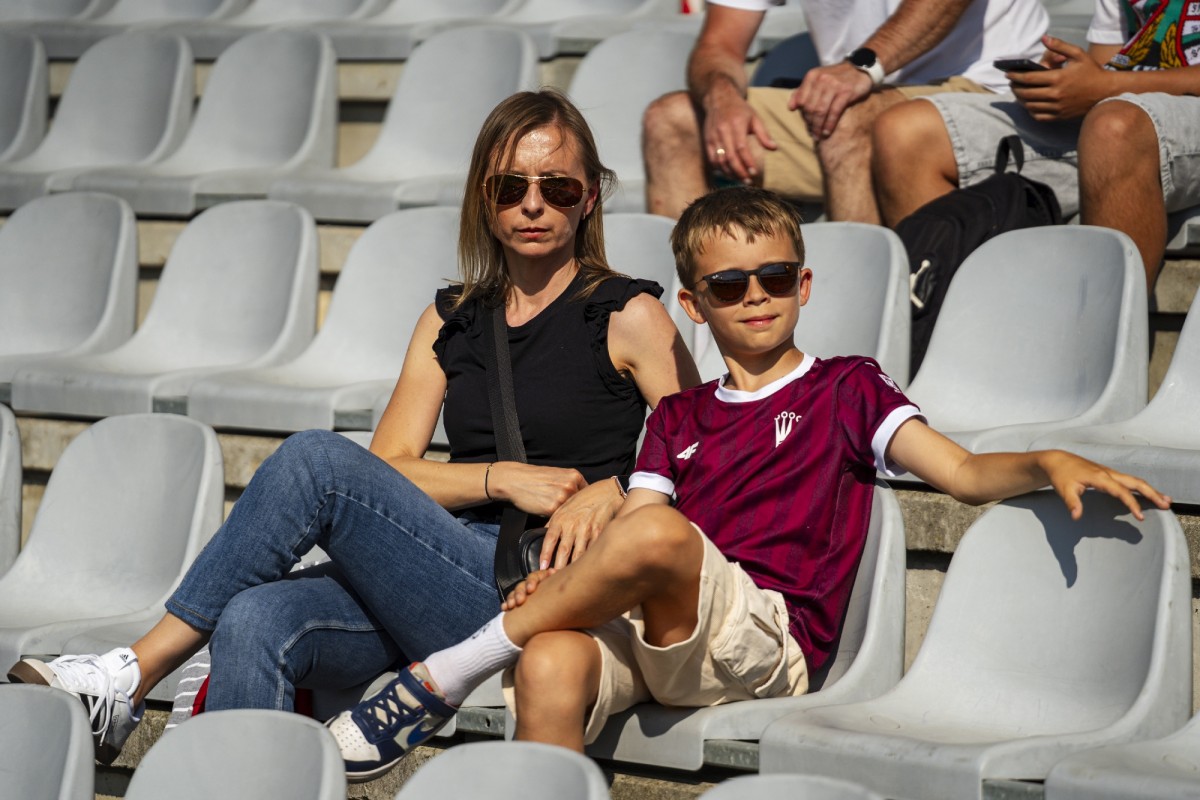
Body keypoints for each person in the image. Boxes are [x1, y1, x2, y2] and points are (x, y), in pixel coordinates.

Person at [326, 185, 1171, 780]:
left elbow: (962, 473)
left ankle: (444, 675)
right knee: (551, 660)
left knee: (655, 535)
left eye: (774, 279)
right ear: (696, 306)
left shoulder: (847, 388)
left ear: (803, 285)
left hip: (767, 640)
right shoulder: (678, 416)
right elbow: (637, 529)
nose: (755, 297)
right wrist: (565, 581)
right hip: (667, 632)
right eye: (729, 286)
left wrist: (1046, 460)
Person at [6, 89, 700, 762]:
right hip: (433, 563)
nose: (533, 204)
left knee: (318, 460)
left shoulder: (626, 315)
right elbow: (390, 468)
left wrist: (617, 492)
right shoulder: (451, 319)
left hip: (537, 590)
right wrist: (499, 478)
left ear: (591, 197)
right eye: (509, 187)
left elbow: (710, 456)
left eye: (559, 187)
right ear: (482, 199)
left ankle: (133, 672)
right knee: (252, 618)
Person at [871, 0, 1200, 290]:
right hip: (1119, 111)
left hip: (1139, 120)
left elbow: (1111, 90)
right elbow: (1110, 62)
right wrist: (1065, 83)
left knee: (1113, 129)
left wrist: (1107, 87)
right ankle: (962, 327)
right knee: (906, 135)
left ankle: (1101, 336)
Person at [641, 0, 1049, 223]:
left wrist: (863, 66)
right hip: (855, 100)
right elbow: (720, 44)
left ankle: (856, 338)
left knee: (847, 119)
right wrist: (722, 99)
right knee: (672, 120)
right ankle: (680, 334)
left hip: (988, 90)